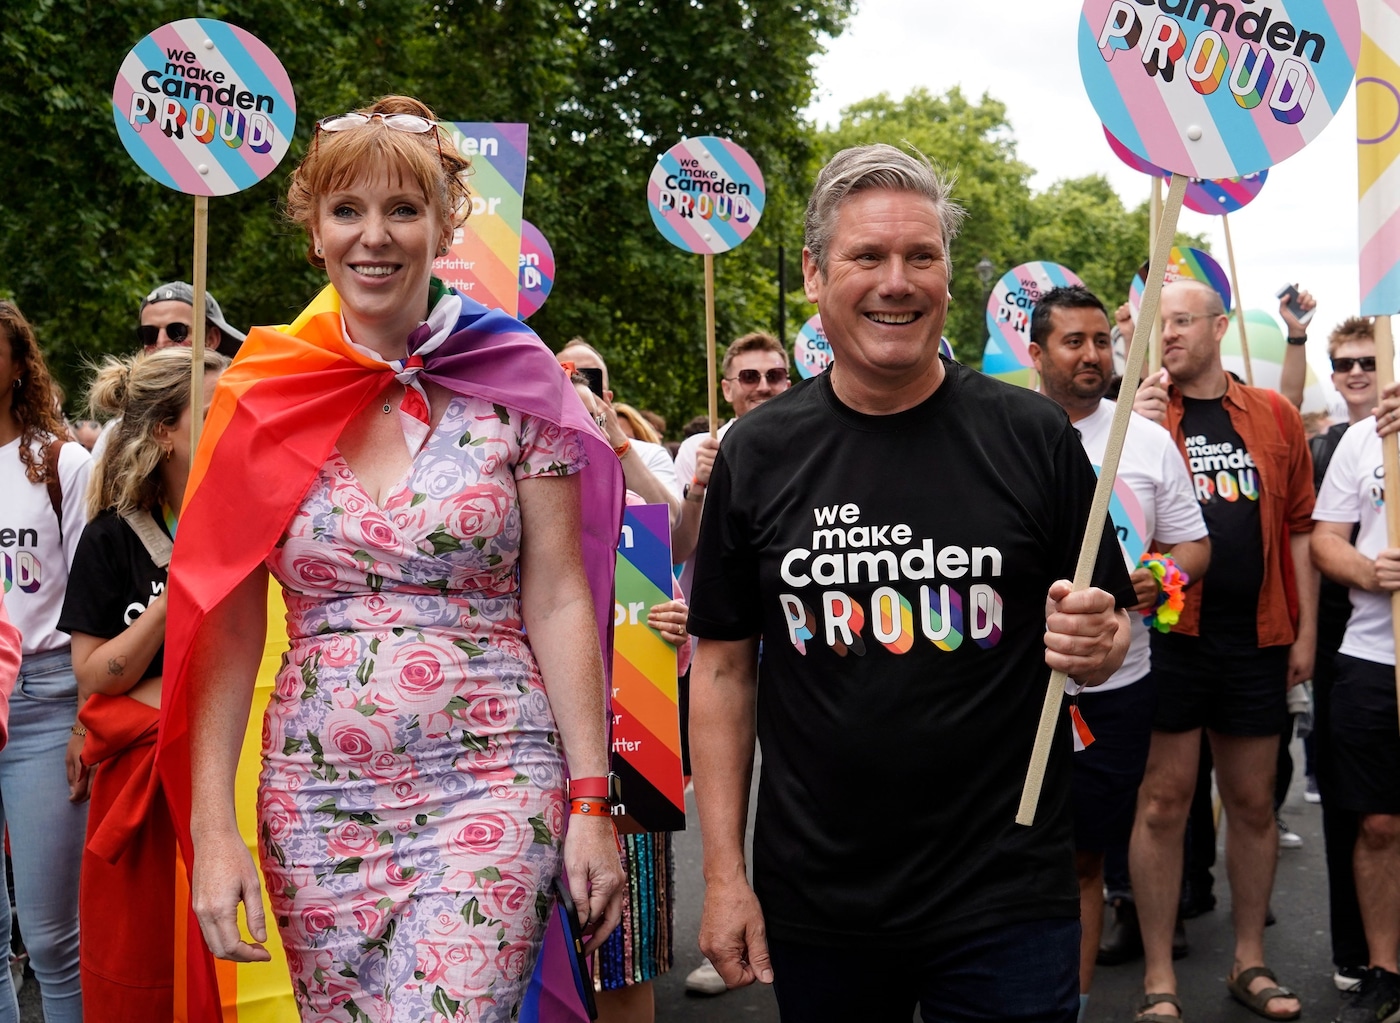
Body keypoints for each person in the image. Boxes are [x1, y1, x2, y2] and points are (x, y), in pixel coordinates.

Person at [159, 95, 626, 1022]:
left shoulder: (518, 380)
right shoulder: (259, 396)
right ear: (317, 233)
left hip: (495, 777)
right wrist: (213, 829)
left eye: (403, 210)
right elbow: (226, 617)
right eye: (348, 211)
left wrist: (589, 798)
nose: (376, 236)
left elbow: (562, 597)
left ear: (444, 224)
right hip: (315, 804)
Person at [687, 143, 1133, 1022]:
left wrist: (1098, 641)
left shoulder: (1033, 437)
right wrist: (724, 876)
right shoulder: (759, 451)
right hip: (821, 901)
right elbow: (726, 670)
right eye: (868, 257)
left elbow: (1107, 631)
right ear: (816, 275)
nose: (898, 280)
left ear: (947, 274)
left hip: (1004, 894)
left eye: (920, 256)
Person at [1130, 279, 1318, 1022]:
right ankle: (1157, 979)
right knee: (1163, 803)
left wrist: (1302, 631)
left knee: (1252, 803)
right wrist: (1133, 434)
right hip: (1173, 634)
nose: (1168, 334)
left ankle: (1251, 960)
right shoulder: (1139, 415)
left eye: (1181, 321)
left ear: (1219, 326)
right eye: (1160, 323)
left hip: (1257, 639)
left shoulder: (1272, 415)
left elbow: (1300, 525)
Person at [1028, 285, 1210, 1023]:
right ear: (1036, 353)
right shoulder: (1000, 432)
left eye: (1103, 340)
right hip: (1016, 694)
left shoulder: (1146, 440)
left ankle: (1067, 1006)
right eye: (1074, 341)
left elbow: (1194, 544)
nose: (1094, 355)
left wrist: (1158, 577)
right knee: (1014, 859)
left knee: (1084, 860)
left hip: (1119, 690)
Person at [57, 346, 226, 1020]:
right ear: (165, 431)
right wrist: (169, 599)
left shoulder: (254, 522)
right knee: (146, 958)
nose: (230, 425)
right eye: (213, 413)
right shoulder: (110, 539)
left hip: (228, 774)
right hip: (142, 790)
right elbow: (95, 672)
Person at [670, 330, 792, 999]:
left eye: (776, 375)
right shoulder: (702, 449)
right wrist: (698, 485)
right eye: (749, 376)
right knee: (730, 782)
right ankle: (732, 925)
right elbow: (677, 546)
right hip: (726, 642)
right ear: (726, 387)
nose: (763, 386)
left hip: (800, 643)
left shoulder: (809, 439)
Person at [0, 300, 90, 1023]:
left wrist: (84, 721)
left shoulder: (62, 462)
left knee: (55, 939)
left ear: (18, 365)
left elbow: (90, 599)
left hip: (45, 702)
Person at [1311, 397, 1400, 1022]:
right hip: (1372, 656)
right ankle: (1384, 970)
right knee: (1377, 825)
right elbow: (1324, 542)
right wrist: (1371, 572)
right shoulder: (1365, 438)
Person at [1309, 316, 1384, 994]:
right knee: (1362, 812)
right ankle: (1365, 954)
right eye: (1345, 364)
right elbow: (1313, 543)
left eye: (1369, 359)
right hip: (1351, 650)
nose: (1357, 372)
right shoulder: (1338, 444)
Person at [554, 339, 683, 525]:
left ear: (608, 397)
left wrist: (618, 443)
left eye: (589, 383)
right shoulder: (535, 454)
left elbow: (666, 521)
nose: (577, 390)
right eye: (568, 380)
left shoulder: (648, 454)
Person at [137, 280, 245, 357]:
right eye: (149, 334)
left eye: (177, 331)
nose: (161, 342)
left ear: (211, 340)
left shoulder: (238, 388)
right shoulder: (126, 388)